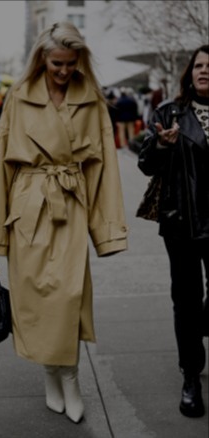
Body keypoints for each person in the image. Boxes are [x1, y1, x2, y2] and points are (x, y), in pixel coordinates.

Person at [0, 21, 128, 424]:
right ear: (42, 58)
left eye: (70, 62)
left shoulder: (92, 99)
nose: (63, 70)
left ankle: (72, 379)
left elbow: (104, 168)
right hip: (27, 209)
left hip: (71, 205)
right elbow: (2, 168)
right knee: (36, 299)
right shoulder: (18, 98)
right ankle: (50, 376)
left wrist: (106, 229)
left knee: (67, 299)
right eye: (57, 62)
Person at [137, 45, 209, 418]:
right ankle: (191, 377)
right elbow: (145, 164)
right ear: (189, 72)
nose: (204, 70)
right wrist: (162, 147)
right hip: (181, 220)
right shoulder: (170, 112)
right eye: (198, 65)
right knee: (186, 300)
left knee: (200, 307)